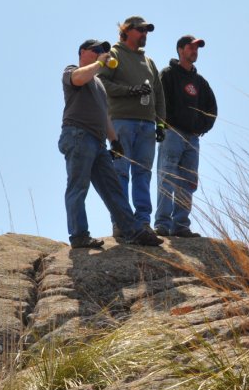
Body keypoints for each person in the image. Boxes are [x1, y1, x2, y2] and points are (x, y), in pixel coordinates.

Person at [59, 39, 142, 249]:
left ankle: (133, 231)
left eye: (103, 51)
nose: (101, 53)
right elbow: (78, 79)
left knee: (113, 188)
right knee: (78, 187)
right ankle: (79, 235)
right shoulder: (72, 70)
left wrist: (114, 141)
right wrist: (100, 63)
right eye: (96, 50)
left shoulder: (99, 84)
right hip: (78, 134)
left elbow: (104, 116)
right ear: (82, 52)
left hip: (97, 141)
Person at [99, 16, 166, 246]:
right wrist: (130, 91)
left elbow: (159, 94)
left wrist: (161, 124)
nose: (145, 34)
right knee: (120, 172)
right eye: (141, 30)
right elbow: (101, 82)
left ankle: (143, 222)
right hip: (121, 122)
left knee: (143, 175)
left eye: (147, 31)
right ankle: (121, 223)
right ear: (126, 31)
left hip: (147, 125)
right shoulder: (114, 56)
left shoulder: (149, 61)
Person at [154, 35, 218, 237]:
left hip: (192, 138)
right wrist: (166, 124)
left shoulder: (200, 82)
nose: (195, 51)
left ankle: (181, 225)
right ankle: (162, 224)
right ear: (180, 50)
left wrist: (201, 127)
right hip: (172, 133)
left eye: (197, 48)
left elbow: (212, 108)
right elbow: (159, 102)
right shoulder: (168, 74)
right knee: (167, 177)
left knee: (188, 180)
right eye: (191, 47)